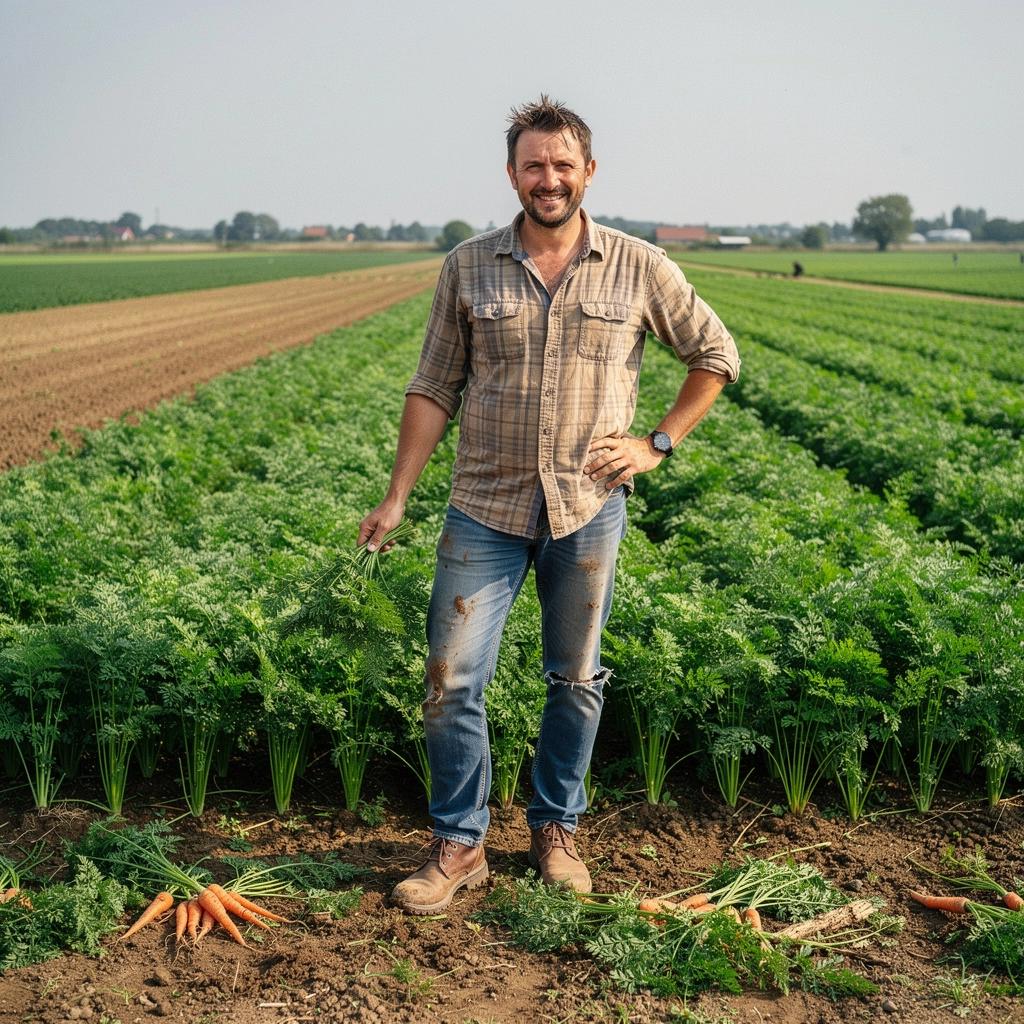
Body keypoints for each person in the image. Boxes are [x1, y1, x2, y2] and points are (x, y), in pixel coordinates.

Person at [358, 95, 740, 915]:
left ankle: (556, 830)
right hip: (483, 504)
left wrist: (656, 443)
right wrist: (396, 497)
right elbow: (433, 385)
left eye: (563, 164)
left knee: (575, 678)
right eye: (534, 164)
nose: (549, 178)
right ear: (512, 174)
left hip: (587, 507)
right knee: (451, 679)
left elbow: (715, 354)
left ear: (588, 171)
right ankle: (460, 844)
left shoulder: (638, 266)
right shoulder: (469, 266)